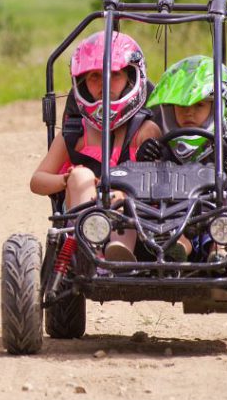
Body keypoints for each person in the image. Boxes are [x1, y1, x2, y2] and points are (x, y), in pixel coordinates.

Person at [30, 31, 161, 262]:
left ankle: (117, 251)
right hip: (81, 231)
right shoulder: (74, 134)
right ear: (81, 84)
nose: (104, 83)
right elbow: (37, 181)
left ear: (131, 78)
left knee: (121, 192)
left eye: (114, 75)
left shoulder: (146, 131)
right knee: (81, 175)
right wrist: (66, 179)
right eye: (94, 77)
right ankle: (91, 250)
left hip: (138, 233)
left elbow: (164, 183)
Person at [138, 54, 227, 260]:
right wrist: (145, 161)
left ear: (217, 108)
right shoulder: (166, 142)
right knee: (169, 229)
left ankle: (219, 254)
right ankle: (175, 253)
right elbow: (145, 188)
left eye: (199, 106)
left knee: (222, 226)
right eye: (182, 106)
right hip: (176, 217)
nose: (189, 113)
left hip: (221, 216)